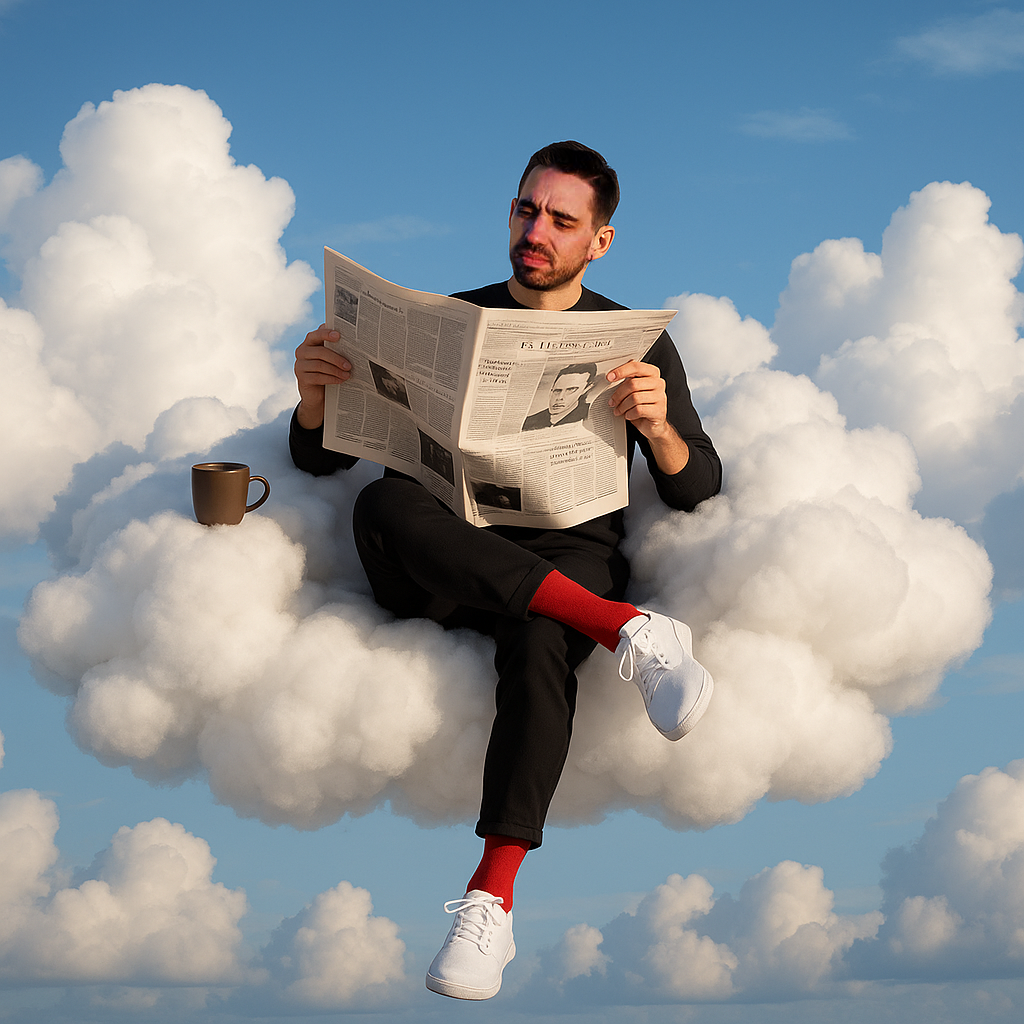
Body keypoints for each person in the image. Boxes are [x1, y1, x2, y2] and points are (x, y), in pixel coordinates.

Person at [289, 141, 722, 1001]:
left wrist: (660, 429)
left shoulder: (636, 342)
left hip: (566, 549)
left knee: (539, 641)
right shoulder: (448, 321)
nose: (537, 231)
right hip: (443, 548)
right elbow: (319, 463)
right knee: (382, 504)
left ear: (599, 240)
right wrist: (313, 400)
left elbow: (699, 485)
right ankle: (627, 633)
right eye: (527, 209)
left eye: (562, 220)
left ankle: (491, 900)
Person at [522, 362, 597, 430]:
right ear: (551, 390)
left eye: (571, 389)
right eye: (557, 391)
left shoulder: (592, 414)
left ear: (586, 389)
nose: (560, 397)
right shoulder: (529, 421)